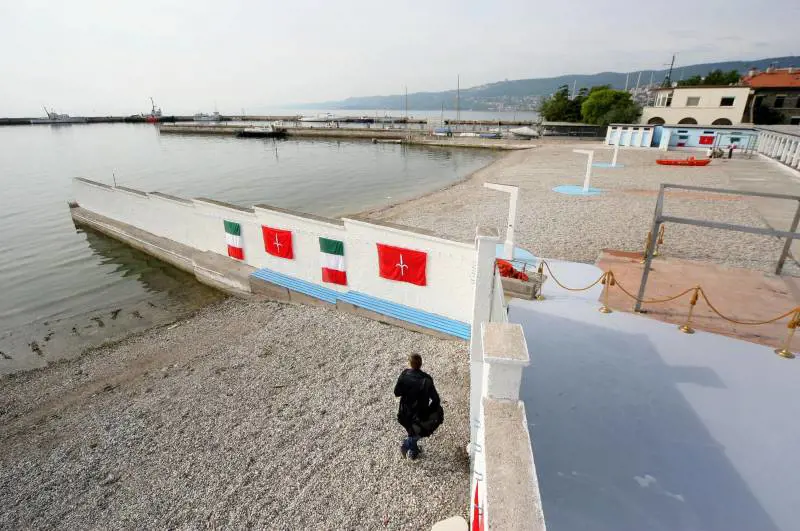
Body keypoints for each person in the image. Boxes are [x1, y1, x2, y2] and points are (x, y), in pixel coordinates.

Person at [393, 354, 443, 460]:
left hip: (404, 413)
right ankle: (407, 444)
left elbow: (397, 392)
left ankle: (413, 451)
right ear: (421, 364)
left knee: (412, 431)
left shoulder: (404, 374)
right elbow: (436, 400)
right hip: (419, 416)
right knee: (421, 430)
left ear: (409, 363)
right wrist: (430, 411)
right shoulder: (426, 379)